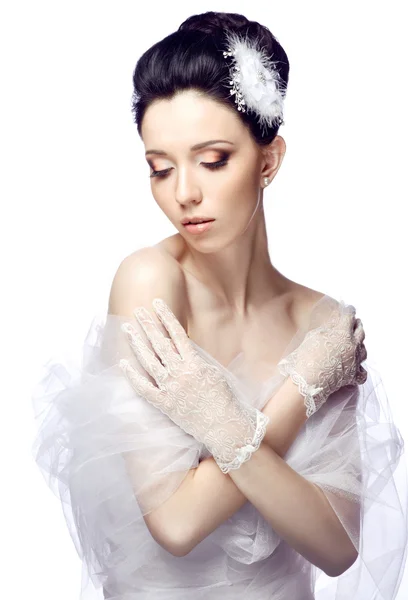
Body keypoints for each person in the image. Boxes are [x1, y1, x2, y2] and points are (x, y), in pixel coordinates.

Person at [31, 11, 408, 600]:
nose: (183, 192)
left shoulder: (324, 325)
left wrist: (239, 429)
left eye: (212, 161)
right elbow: (175, 525)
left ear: (267, 160)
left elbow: (337, 548)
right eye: (160, 168)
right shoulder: (151, 280)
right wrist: (300, 390)